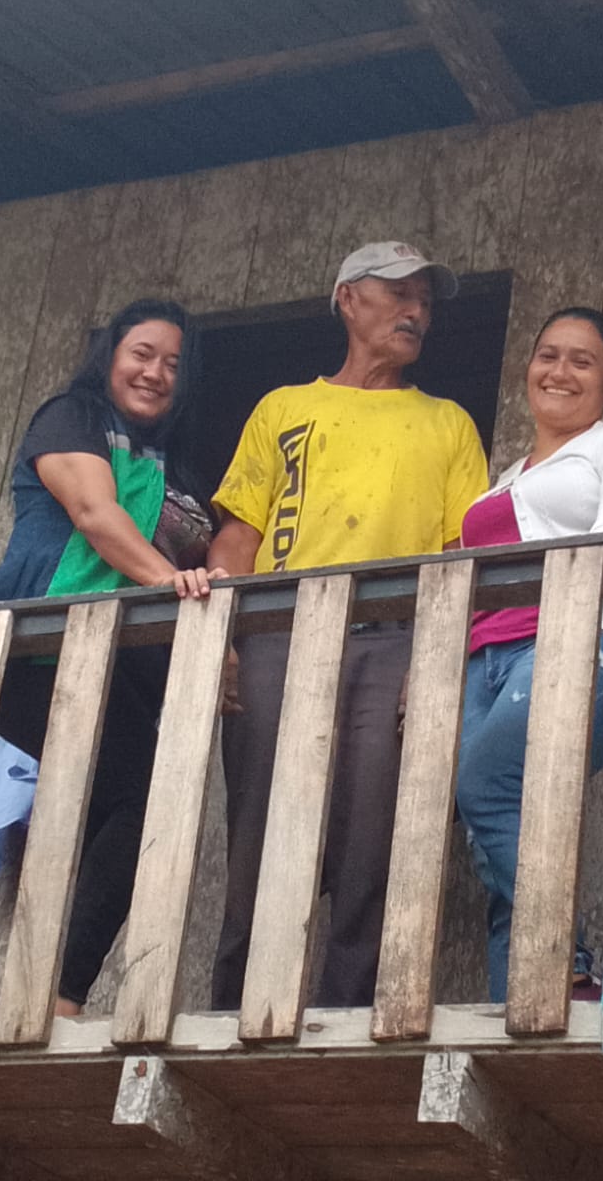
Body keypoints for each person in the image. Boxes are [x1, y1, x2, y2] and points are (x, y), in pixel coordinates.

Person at [208, 241, 489, 1009]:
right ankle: (236, 1016)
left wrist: (438, 660)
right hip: (280, 636)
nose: (416, 311)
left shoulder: (447, 423)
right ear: (348, 299)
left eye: (425, 301)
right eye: (399, 293)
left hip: (395, 641)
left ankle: (346, 1021)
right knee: (262, 837)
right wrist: (222, 639)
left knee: (374, 844)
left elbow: (463, 554)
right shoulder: (284, 408)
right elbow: (237, 536)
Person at [0, 297, 222, 1015]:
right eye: (142, 354)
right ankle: (57, 998)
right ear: (109, 356)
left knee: (123, 810)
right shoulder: (72, 417)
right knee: (137, 800)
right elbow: (95, 514)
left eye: (173, 364)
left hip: (130, 669)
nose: (155, 373)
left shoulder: (173, 464)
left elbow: (205, 551)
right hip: (48, 650)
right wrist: (170, 581)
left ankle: (46, 996)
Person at [453, 307, 603, 1003]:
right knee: (503, 841)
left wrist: (585, 580)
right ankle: (524, 1014)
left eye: (582, 361)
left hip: (590, 644)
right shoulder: (506, 476)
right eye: (548, 355)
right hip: (490, 661)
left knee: (486, 788)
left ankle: (570, 962)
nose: (559, 371)